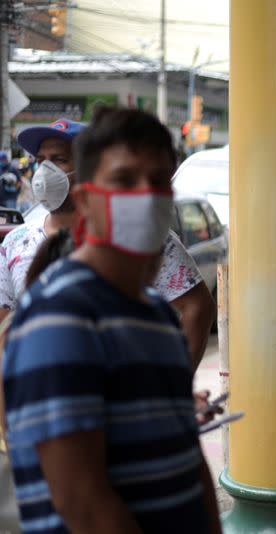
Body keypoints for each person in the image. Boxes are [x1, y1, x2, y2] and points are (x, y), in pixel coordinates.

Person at [2, 107, 222, 534]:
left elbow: (189, 462)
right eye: (124, 181)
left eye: (158, 182)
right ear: (85, 201)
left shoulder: (157, 315)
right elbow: (81, 502)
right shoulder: (58, 316)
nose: (145, 196)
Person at [0, 118, 215, 369]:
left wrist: (174, 385)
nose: (44, 172)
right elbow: (3, 329)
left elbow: (197, 306)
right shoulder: (15, 243)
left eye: (59, 160)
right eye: (41, 160)